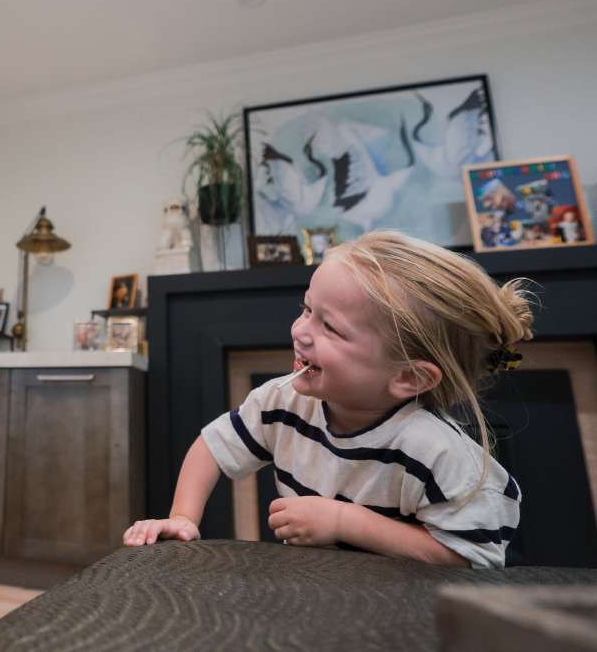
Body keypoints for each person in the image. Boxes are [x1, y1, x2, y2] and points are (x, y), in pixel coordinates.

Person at [123, 230, 531, 569]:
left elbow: (472, 560)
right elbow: (211, 448)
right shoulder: (282, 401)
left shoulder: (437, 451)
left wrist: (344, 522)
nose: (301, 331)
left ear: (408, 377)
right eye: (306, 309)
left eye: (330, 328)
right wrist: (182, 518)